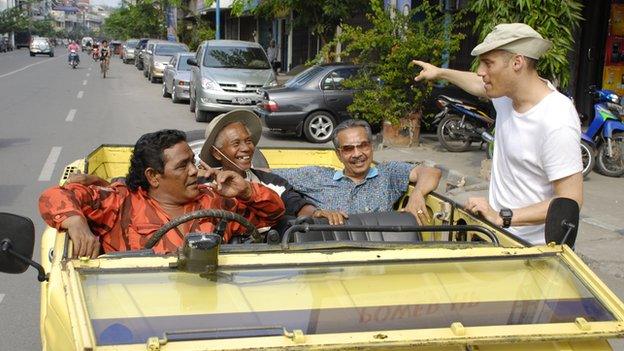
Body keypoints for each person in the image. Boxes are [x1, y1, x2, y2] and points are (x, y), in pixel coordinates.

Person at [413, 23, 583, 244]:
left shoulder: (556, 120)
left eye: (488, 63)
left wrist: (503, 216)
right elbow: (477, 84)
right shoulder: (506, 95)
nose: (481, 72)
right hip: (497, 235)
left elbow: (570, 200)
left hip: (531, 250)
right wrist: (440, 72)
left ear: (517, 62)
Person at [39, 129, 285, 258]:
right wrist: (75, 221)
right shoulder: (121, 201)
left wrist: (247, 190)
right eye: (182, 166)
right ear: (153, 176)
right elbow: (53, 196)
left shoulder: (215, 200)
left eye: (192, 161)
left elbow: (273, 215)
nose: (194, 171)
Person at [272, 119, 442, 225]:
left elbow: (431, 172)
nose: (357, 154)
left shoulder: (388, 173)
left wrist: (417, 194)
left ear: (371, 147)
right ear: (339, 154)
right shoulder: (317, 176)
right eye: (348, 149)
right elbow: (267, 175)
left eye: (363, 145)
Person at [198, 110, 348, 225]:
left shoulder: (271, 181)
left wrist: (317, 213)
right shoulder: (203, 184)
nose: (246, 148)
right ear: (217, 154)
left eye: (248, 141)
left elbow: (296, 205)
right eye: (236, 144)